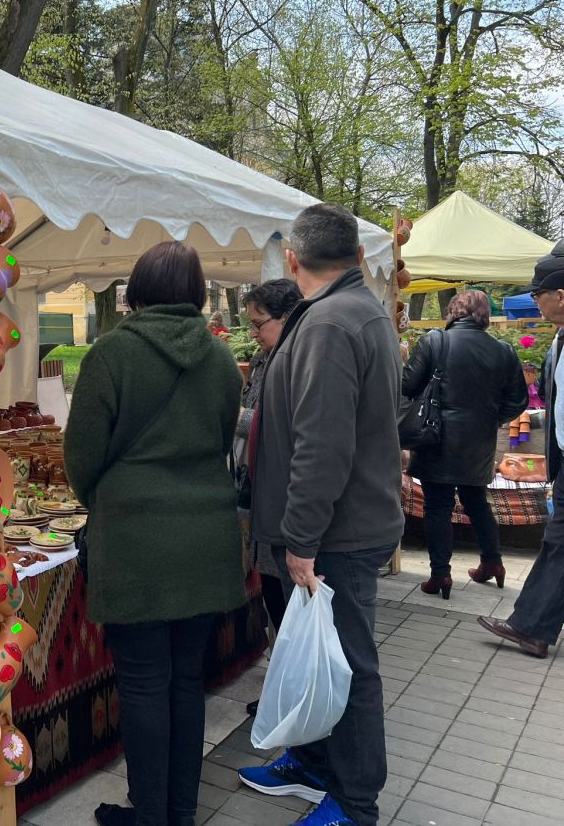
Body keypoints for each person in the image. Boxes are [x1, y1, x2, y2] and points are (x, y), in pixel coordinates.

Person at [65, 242, 245, 826]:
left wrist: (111, 500)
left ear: (136, 291)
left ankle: (150, 816)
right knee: (186, 681)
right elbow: (221, 440)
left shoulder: (111, 354)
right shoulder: (221, 360)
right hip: (207, 536)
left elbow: (81, 459)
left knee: (144, 685)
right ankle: (179, 814)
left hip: (136, 542)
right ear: (196, 293)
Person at [238, 204, 403, 826]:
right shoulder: (354, 309)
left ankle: (356, 804)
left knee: (348, 668)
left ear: (291, 260)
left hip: (337, 532)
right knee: (316, 657)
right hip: (341, 523)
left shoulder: (332, 321)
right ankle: (312, 764)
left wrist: (301, 539)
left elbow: (323, 444)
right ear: (358, 255)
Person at [403, 290, 527, 599]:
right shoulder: (503, 350)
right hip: (479, 441)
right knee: (477, 501)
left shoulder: (435, 341)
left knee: (438, 506)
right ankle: (492, 562)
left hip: (437, 437)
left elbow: (407, 385)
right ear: (484, 316)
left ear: (453, 311)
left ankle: (440, 575)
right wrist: (491, 419)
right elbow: (518, 401)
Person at [479, 243, 564, 658]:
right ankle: (532, 626)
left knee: (559, 542)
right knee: (558, 542)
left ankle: (531, 626)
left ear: (560, 295)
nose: (535, 301)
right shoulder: (559, 339)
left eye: (537, 293)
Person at [234, 279, 304, 719]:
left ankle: (293, 698)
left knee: (291, 604)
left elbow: (279, 425)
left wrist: (234, 417)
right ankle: (283, 690)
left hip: (285, 503)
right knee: (275, 598)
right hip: (262, 494)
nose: (254, 333)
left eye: (260, 323)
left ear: (287, 317)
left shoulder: (298, 359)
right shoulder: (265, 358)